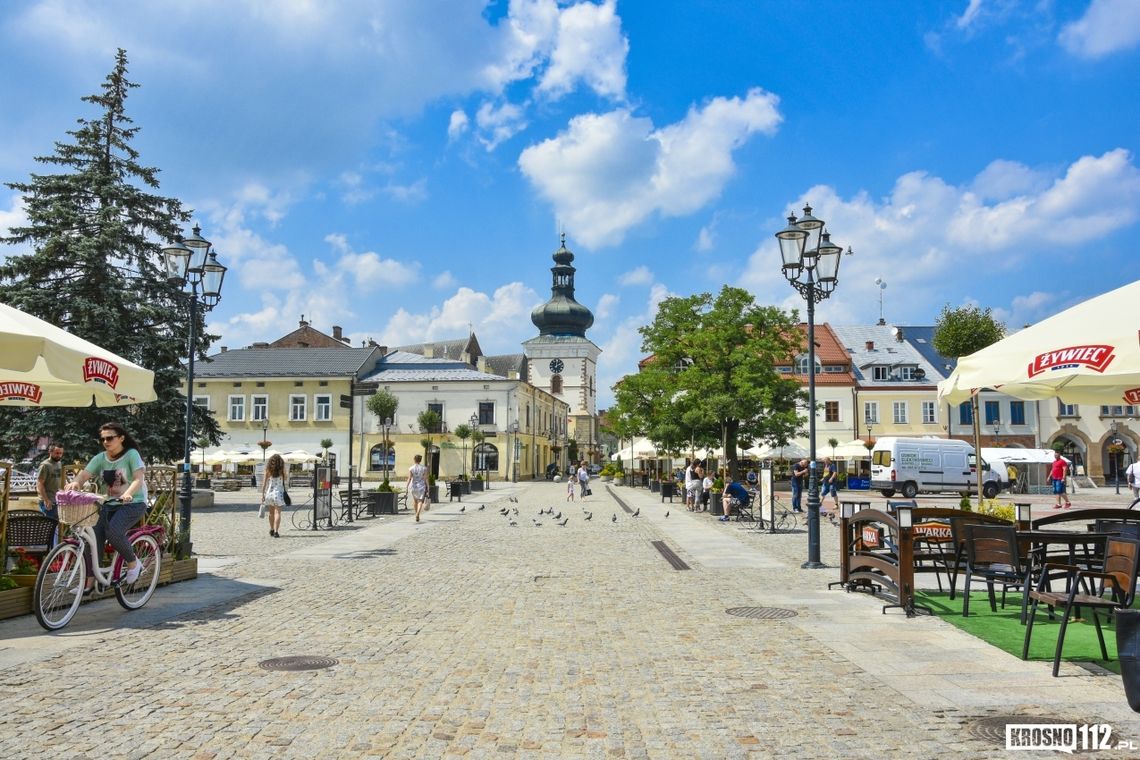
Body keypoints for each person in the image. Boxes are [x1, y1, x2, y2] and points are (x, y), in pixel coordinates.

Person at [64, 422, 148, 587]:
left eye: (110, 438)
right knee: (92, 538)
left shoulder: (131, 454)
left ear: (121, 438)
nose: (106, 442)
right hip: (108, 504)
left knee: (114, 532)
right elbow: (83, 475)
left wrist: (128, 493)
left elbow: (139, 478)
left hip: (133, 503)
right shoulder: (100, 458)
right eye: (103, 439)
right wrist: (75, 483)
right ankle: (89, 583)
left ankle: (133, 563)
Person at [36, 443, 65, 548]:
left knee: (55, 528)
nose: (59, 455)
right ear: (50, 452)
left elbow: (57, 482)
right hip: (48, 501)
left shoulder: (59, 463)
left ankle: (54, 551)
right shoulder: (45, 465)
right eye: (57, 453)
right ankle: (47, 551)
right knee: (49, 528)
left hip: (56, 500)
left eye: (61, 453)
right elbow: (40, 483)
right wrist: (46, 500)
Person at [260, 453, 286, 538]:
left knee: (271, 513)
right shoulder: (282, 470)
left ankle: (271, 529)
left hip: (269, 493)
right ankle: (276, 531)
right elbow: (285, 479)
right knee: (277, 513)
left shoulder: (268, 470)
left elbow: (264, 483)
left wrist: (262, 495)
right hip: (278, 494)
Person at [409, 454, 428, 522]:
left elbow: (410, 478)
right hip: (421, 486)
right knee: (420, 501)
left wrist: (407, 486)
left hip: (413, 486)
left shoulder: (411, 468)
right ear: (420, 460)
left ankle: (416, 514)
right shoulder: (424, 468)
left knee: (415, 501)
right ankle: (418, 514)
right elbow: (425, 478)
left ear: (414, 460)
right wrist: (428, 486)